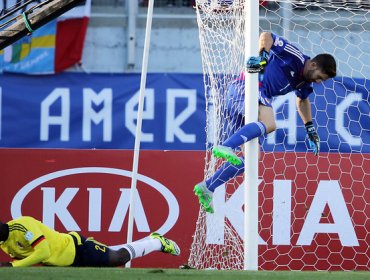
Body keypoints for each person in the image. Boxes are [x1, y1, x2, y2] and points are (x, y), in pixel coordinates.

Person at [194, 31, 337, 213]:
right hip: (249, 87)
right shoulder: (296, 56)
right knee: (270, 124)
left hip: (245, 99)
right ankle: (227, 146)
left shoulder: (304, 84)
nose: (319, 82)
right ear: (314, 64)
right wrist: (263, 55)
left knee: (250, 159)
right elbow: (267, 35)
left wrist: (310, 129)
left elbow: (302, 100)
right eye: (320, 77)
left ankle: (208, 187)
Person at [0, 216, 180, 267]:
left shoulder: (23, 225)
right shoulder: (3, 244)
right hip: (62, 266)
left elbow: (43, 252)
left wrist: (12, 266)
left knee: (118, 258)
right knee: (110, 252)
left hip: (77, 248)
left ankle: (156, 242)